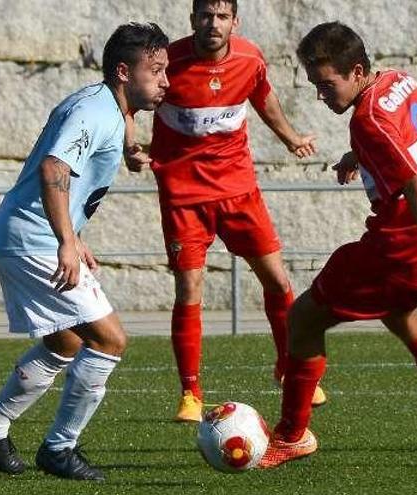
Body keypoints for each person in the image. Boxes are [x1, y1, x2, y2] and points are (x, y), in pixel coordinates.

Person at [257, 22, 417, 468]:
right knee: (399, 315)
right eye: (314, 85)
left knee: (304, 319)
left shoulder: (367, 119)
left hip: (409, 244)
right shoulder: (399, 80)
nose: (320, 96)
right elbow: (413, 142)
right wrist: (359, 157)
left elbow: (412, 178)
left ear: (355, 71)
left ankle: (292, 435)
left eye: (326, 85)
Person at [0, 23, 170, 480]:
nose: (165, 81)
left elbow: (112, 126)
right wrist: (66, 241)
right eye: (155, 71)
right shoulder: (94, 111)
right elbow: (55, 166)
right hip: (33, 240)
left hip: (21, 236)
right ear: (122, 71)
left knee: (66, 341)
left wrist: (130, 151)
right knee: (110, 339)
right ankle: (60, 449)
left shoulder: (106, 105)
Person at [124, 0, 324, 423]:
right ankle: (191, 394)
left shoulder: (250, 58)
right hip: (183, 193)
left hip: (238, 188)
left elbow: (264, 98)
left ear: (235, 21)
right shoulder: (168, 61)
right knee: (190, 288)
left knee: (276, 278)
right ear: (192, 18)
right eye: (204, 15)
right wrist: (130, 146)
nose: (212, 24)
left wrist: (289, 138)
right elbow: (128, 100)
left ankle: (289, 365)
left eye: (221, 16)